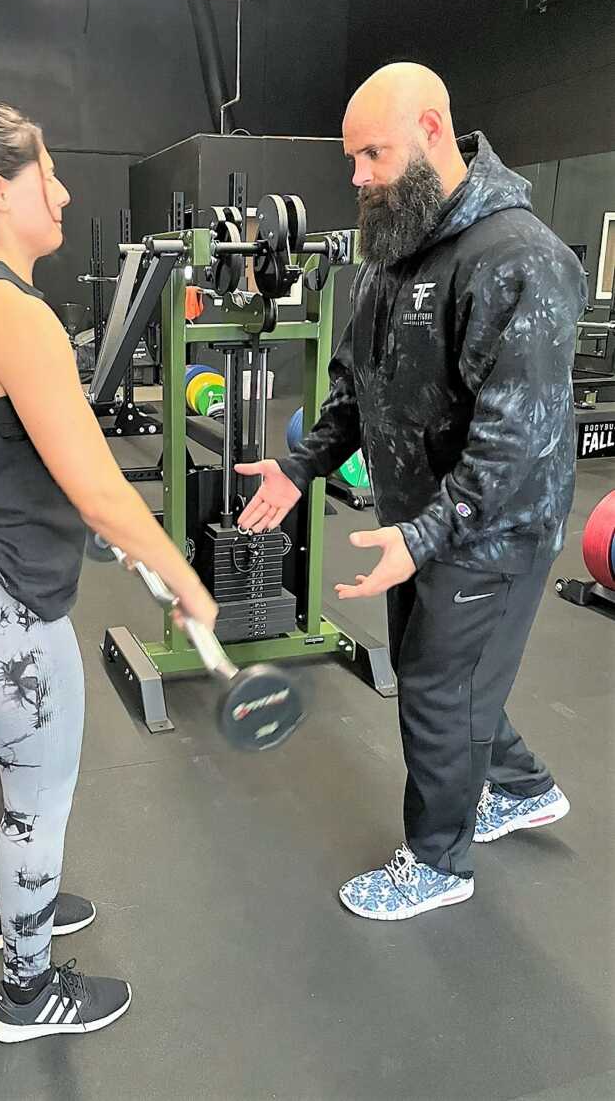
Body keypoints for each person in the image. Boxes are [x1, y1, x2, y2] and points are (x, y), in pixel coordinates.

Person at [0, 101, 217, 1040]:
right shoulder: (10, 312)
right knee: (42, 786)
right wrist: (183, 580)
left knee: (13, 759)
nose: (63, 192)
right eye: (48, 176)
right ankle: (28, 992)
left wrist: (94, 529)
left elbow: (17, 460)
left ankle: (2, 910)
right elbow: (105, 489)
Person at [236, 63, 584, 921]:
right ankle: (523, 787)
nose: (354, 177)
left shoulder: (519, 259)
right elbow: (358, 385)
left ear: (433, 130)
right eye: (353, 158)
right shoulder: (394, 249)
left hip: (491, 530)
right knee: (451, 676)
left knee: (434, 686)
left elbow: (515, 441)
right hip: (419, 523)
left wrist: (426, 537)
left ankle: (438, 862)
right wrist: (302, 464)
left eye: (371, 155)